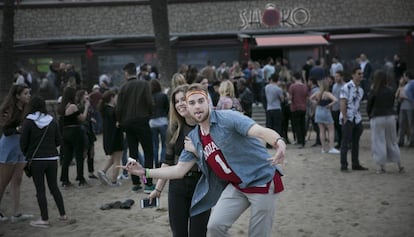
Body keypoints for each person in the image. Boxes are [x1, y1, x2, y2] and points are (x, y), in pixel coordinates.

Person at [122, 83, 286, 237]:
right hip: (237, 186)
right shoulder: (194, 137)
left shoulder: (228, 118)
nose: (197, 106)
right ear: (188, 107)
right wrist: (145, 171)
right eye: (192, 103)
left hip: (262, 180)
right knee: (214, 227)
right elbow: (178, 169)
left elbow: (259, 131)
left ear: (209, 102)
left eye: (201, 101)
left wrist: (278, 142)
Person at [148, 84, 210, 237]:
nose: (180, 104)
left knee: (198, 233)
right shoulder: (173, 129)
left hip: (201, 186)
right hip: (178, 186)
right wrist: (158, 189)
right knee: (179, 233)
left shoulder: (206, 126)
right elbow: (167, 161)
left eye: (183, 99)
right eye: (176, 101)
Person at [20, 96, 75, 228]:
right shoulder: (51, 121)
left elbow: (23, 143)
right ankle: (63, 215)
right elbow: (58, 141)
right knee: (54, 187)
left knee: (40, 190)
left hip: (36, 160)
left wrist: (28, 154)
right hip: (52, 159)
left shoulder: (28, 121)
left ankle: (44, 219)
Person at [116, 62, 154, 193]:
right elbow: (150, 102)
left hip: (128, 123)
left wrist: (120, 122)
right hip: (142, 121)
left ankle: (136, 183)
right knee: (149, 151)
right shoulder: (144, 84)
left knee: (133, 153)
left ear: (126, 73)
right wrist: (149, 115)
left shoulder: (123, 88)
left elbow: (119, 108)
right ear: (135, 72)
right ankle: (148, 183)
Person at [0, 84, 33, 222]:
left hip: (20, 147)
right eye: (25, 93)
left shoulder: (26, 108)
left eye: (28, 93)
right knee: (3, 182)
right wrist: (19, 129)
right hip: (8, 147)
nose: (28, 95)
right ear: (17, 96)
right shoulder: (8, 109)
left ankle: (16, 213)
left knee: (17, 180)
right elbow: (6, 131)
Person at [366, 71, 404, 174]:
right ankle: (399, 164)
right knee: (392, 141)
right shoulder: (391, 90)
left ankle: (381, 166)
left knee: (379, 141)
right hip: (390, 116)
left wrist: (370, 114)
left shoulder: (374, 91)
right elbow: (392, 103)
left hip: (377, 116)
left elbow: (369, 105)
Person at [59, 86, 90, 187]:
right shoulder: (73, 106)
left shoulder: (62, 107)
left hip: (65, 132)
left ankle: (64, 180)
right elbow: (82, 118)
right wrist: (86, 107)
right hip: (75, 132)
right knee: (79, 156)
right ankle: (81, 179)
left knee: (67, 157)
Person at [339, 67, 368, 172]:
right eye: (359, 74)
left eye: (362, 74)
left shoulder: (361, 90)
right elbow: (342, 102)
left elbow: (358, 104)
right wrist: (345, 117)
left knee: (356, 142)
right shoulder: (346, 87)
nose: (361, 76)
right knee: (345, 142)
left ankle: (355, 163)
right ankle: (344, 165)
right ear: (353, 75)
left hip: (357, 118)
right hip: (348, 118)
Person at [97, 90, 124, 186]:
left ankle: (102, 171)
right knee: (117, 159)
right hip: (116, 138)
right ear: (112, 97)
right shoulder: (112, 111)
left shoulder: (105, 110)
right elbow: (118, 124)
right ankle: (114, 181)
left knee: (113, 158)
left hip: (109, 138)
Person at [309, 79, 340, 154]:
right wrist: (330, 105)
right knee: (331, 129)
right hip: (326, 111)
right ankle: (331, 147)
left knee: (321, 130)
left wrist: (316, 102)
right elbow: (336, 100)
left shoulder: (317, 93)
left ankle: (323, 148)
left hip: (318, 111)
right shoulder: (327, 93)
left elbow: (310, 98)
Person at [149, 79, 169, 168]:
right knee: (164, 144)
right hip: (163, 121)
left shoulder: (149, 97)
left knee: (155, 144)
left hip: (152, 122)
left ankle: (156, 162)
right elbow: (167, 108)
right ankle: (162, 161)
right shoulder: (163, 96)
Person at [289, 72, 308, 148]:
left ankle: (299, 141)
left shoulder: (292, 86)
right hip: (303, 107)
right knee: (302, 124)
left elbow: (290, 98)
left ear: (294, 78)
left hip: (295, 107)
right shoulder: (305, 86)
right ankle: (303, 141)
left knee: (297, 125)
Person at [331, 71, 345, 149]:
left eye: (337, 76)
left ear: (342, 77)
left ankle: (345, 143)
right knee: (337, 127)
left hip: (342, 110)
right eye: (335, 77)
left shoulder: (346, 86)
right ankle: (339, 142)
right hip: (335, 109)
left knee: (343, 128)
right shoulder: (334, 86)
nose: (336, 78)